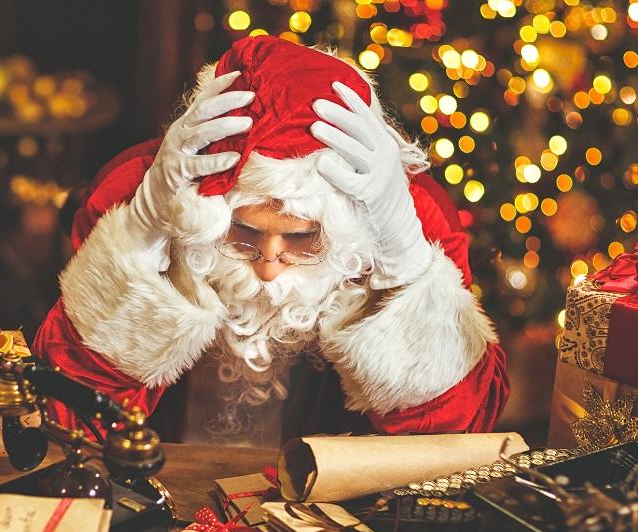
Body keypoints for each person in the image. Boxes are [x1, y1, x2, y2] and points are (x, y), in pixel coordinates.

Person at [32, 36, 509, 446]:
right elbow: (67, 420)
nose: (267, 267)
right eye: (243, 233)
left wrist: (404, 262)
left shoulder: (413, 222)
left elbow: (449, 442)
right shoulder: (138, 195)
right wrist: (141, 235)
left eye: (301, 239)